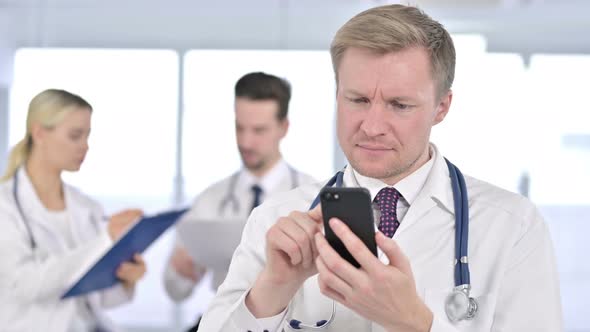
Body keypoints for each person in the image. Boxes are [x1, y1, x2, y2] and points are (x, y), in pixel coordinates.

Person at [198, 4, 563, 332]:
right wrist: (273, 289)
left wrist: (415, 325)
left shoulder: (512, 227)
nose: (371, 126)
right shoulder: (276, 220)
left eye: (399, 105)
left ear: (441, 107)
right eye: (357, 99)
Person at [163, 72, 315, 329]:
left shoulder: (311, 196)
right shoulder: (211, 199)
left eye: (258, 130)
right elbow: (175, 290)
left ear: (284, 128)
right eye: (239, 128)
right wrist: (181, 271)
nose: (246, 141)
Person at [0, 89, 147, 332]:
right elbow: (25, 285)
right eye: (75, 136)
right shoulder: (6, 205)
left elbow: (98, 298)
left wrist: (126, 278)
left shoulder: (87, 207)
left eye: (87, 136)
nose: (85, 146)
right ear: (39, 133)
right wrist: (104, 241)